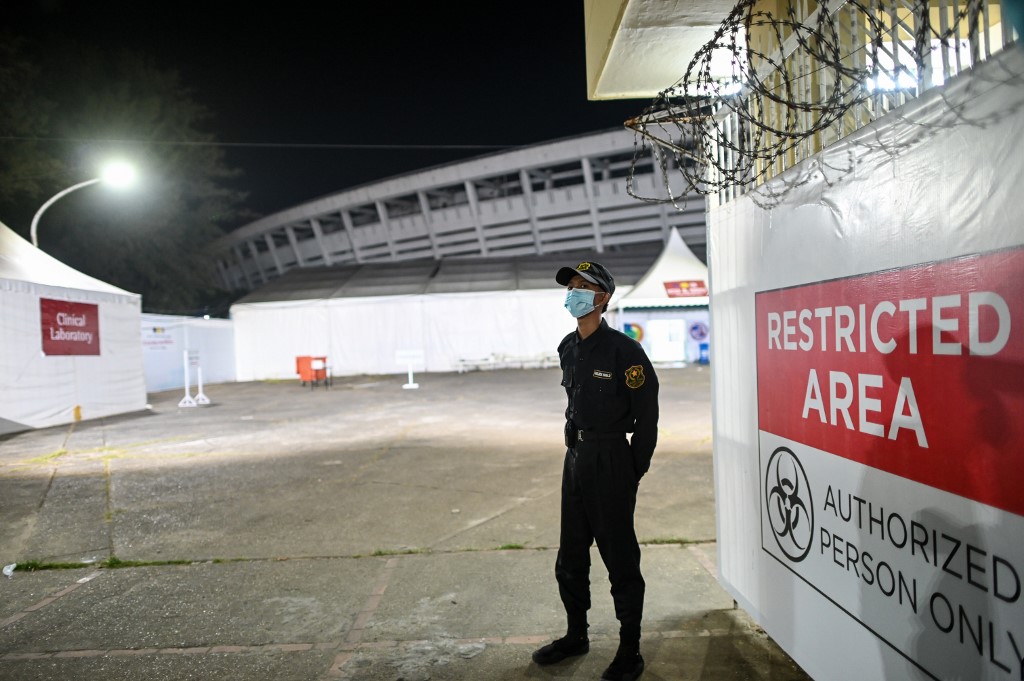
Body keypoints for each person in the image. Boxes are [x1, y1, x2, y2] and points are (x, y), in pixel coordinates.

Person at [532, 260, 659, 681]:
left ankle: (630, 650)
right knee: (570, 556)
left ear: (602, 298)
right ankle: (576, 635)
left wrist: (630, 471)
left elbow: (647, 419)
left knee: (620, 559)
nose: (573, 293)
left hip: (611, 460)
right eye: (570, 286)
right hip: (577, 459)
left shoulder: (626, 352)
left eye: (583, 287)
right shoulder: (568, 347)